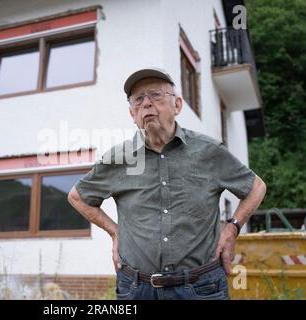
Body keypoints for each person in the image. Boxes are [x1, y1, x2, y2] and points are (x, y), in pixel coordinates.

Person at [67, 68, 267, 300]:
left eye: (156, 95)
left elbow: (256, 187)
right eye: (138, 99)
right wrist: (115, 232)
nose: (146, 103)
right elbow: (77, 196)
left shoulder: (209, 151)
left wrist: (232, 228)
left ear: (178, 105)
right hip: (136, 288)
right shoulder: (118, 158)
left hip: (201, 287)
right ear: (132, 113)